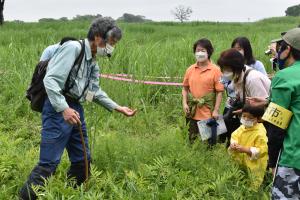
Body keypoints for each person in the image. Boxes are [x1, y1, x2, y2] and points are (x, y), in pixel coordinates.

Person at [20, 17, 137, 200]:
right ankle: (25, 197)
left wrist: (117, 107)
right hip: (58, 108)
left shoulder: (93, 62)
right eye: (111, 43)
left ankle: (72, 193)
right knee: (49, 162)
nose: (112, 48)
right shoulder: (73, 48)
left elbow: (93, 92)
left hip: (76, 108)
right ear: (98, 37)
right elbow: (50, 80)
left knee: (83, 160)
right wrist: (63, 109)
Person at [247, 28, 300, 199]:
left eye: (280, 48)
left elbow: (276, 125)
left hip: (293, 158)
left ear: (288, 50)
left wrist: (272, 161)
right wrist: (267, 102)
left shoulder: (284, 77)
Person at [217, 49, 271, 146]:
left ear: (236, 67)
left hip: (264, 121)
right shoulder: (236, 77)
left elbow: (262, 106)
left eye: (228, 69)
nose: (225, 72)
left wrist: (244, 111)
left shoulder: (253, 79)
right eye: (223, 69)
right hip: (251, 118)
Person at [182, 38, 224, 145]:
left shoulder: (216, 70)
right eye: (197, 50)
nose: (199, 53)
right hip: (192, 111)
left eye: (203, 50)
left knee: (209, 143)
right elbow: (185, 88)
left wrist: (216, 110)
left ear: (209, 52)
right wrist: (184, 103)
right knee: (192, 141)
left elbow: (220, 91)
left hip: (208, 112)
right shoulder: (190, 69)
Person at [228, 104, 268, 190]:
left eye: (250, 118)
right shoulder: (243, 127)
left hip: (254, 164)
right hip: (240, 160)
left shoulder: (260, 132)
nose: (246, 119)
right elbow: (234, 135)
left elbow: (263, 150)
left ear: (259, 119)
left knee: (252, 182)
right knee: (239, 179)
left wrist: (246, 150)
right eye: (244, 116)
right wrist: (233, 143)